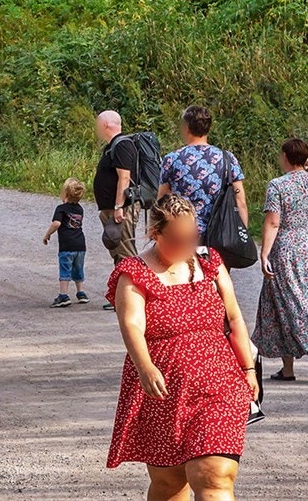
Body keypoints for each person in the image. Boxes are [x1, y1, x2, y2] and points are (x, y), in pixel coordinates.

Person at [107, 194, 257, 500]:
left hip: (219, 384)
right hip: (164, 390)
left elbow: (234, 317)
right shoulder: (134, 272)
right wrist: (145, 366)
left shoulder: (210, 262)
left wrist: (249, 368)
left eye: (192, 236)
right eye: (177, 238)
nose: (186, 244)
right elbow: (132, 324)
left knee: (215, 476)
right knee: (169, 483)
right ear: (155, 234)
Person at [254, 137, 308, 381]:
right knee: (295, 302)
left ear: (286, 157)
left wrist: (265, 252)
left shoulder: (277, 185)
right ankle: (287, 369)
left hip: (287, 248)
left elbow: (274, 221)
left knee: (293, 304)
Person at [158, 104, 247, 236]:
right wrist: (242, 234)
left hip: (182, 231)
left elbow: (162, 201)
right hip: (220, 233)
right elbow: (241, 201)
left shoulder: (172, 159)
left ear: (186, 127)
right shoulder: (227, 158)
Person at [94, 110, 141, 307]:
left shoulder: (122, 145)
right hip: (112, 209)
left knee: (126, 252)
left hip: (121, 209)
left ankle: (136, 297)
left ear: (105, 125)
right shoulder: (112, 146)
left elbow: (124, 177)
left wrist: (118, 207)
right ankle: (121, 297)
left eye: (98, 125)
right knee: (117, 251)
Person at [43, 178, 89, 307]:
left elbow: (56, 223)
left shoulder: (61, 208)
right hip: (80, 245)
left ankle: (63, 295)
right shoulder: (80, 209)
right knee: (78, 268)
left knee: (65, 269)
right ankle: (81, 293)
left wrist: (47, 234)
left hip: (67, 245)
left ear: (66, 194)